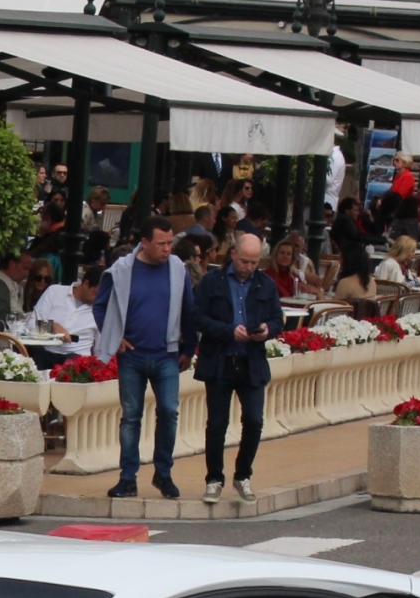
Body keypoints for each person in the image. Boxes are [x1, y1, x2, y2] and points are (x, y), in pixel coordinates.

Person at [91, 214, 203, 500]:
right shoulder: (122, 269)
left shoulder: (177, 269)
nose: (167, 249)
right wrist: (115, 337)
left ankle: (163, 473)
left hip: (166, 353)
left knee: (169, 411)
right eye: (161, 243)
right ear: (144, 242)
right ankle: (127, 477)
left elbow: (189, 310)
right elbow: (101, 306)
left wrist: (189, 349)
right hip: (133, 354)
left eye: (170, 243)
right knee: (131, 417)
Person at [196, 231, 281, 504]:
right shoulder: (212, 282)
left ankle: (242, 474)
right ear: (233, 254)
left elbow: (277, 318)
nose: (249, 267)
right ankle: (214, 478)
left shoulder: (265, 285)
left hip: (251, 361)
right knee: (217, 424)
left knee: (254, 420)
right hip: (221, 360)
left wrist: (267, 329)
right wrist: (228, 331)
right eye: (245, 261)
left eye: (255, 262)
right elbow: (197, 318)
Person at [32, 264, 102, 357]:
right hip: (46, 353)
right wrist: (52, 326)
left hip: (78, 359)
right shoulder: (55, 291)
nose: (99, 299)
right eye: (95, 293)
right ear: (86, 284)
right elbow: (31, 325)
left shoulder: (101, 309)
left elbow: (101, 349)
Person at [0, 253, 36, 323]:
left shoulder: (14, 284)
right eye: (25, 268)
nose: (27, 274)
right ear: (12, 264)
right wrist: (25, 318)